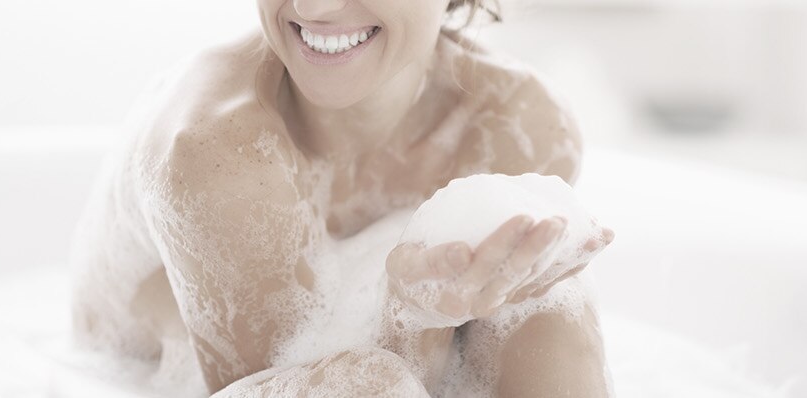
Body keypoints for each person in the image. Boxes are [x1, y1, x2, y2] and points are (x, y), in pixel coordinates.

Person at [70, 0, 614, 396]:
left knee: (553, 315)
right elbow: (285, 382)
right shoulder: (216, 157)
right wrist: (412, 317)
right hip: (121, 380)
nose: (315, 7)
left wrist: (424, 317)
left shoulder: (519, 126)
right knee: (371, 389)